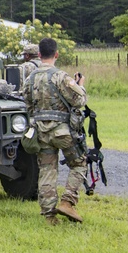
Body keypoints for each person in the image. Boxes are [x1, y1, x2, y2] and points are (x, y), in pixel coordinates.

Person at [23, 37, 88, 225]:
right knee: (79, 163)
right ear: (56, 54)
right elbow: (79, 100)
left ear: (39, 54)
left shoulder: (30, 78)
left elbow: (27, 105)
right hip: (62, 132)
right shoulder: (61, 77)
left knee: (46, 171)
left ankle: (49, 215)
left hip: (40, 133)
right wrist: (80, 85)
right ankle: (67, 201)